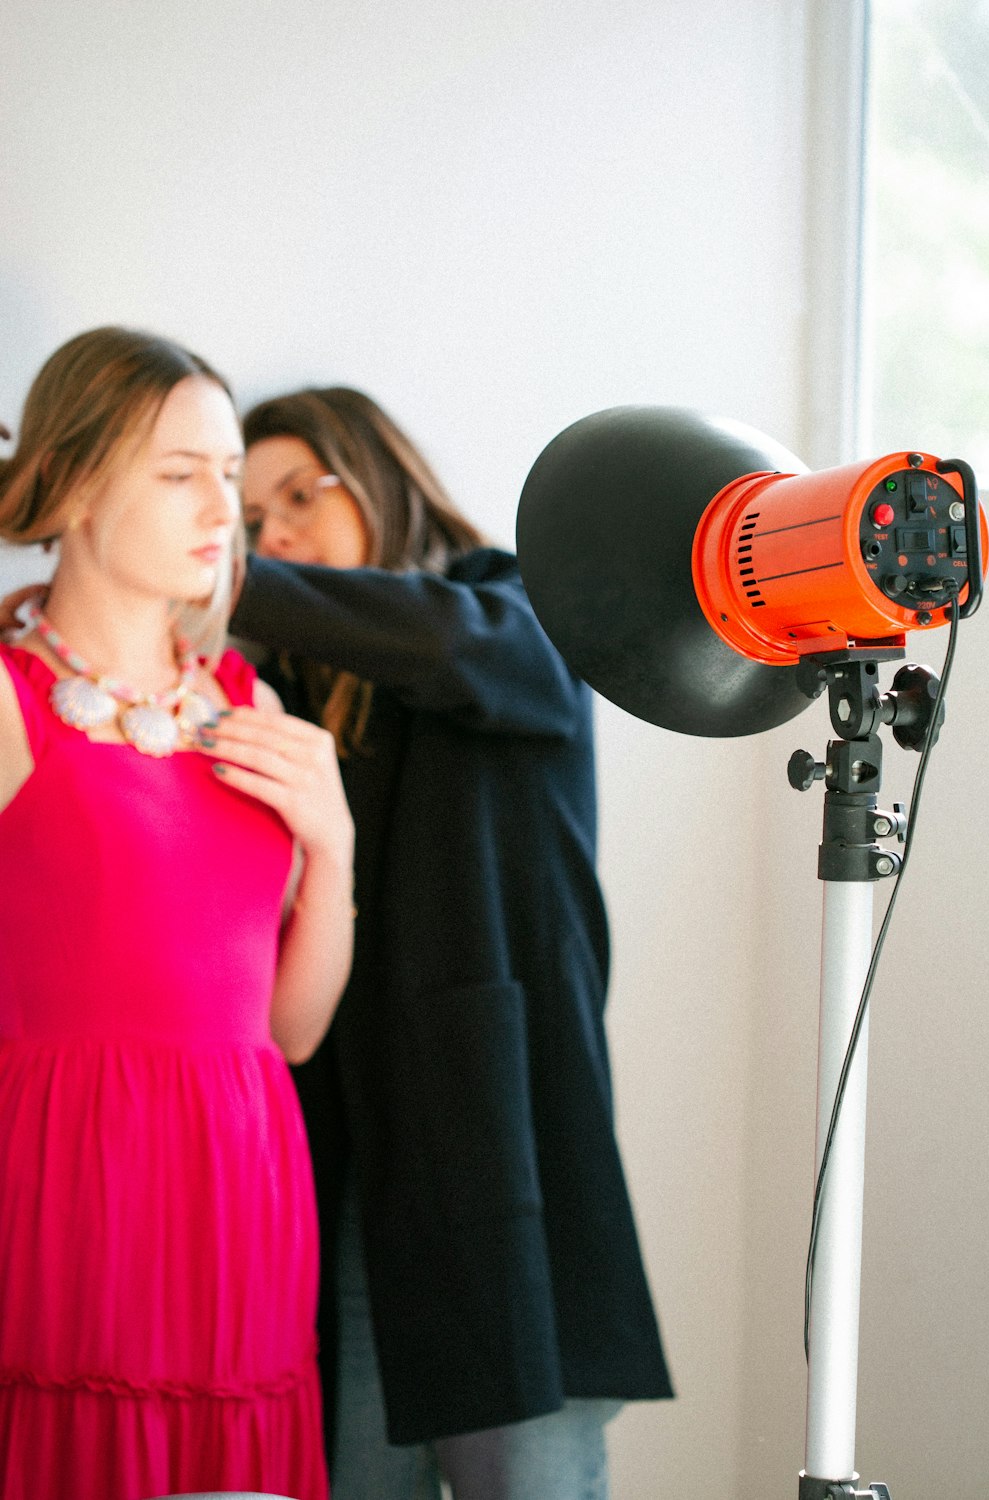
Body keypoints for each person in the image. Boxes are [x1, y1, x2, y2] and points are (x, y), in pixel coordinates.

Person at [230, 385, 674, 1500]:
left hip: (510, 1181)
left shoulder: (515, 612)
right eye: (247, 525)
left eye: (296, 497)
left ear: (382, 474)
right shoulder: (283, 699)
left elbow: (450, 642)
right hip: (353, 1205)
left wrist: (213, 576)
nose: (273, 535)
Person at [0, 327, 356, 1500]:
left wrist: (334, 843)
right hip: (61, 1186)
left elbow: (291, 1031)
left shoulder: (247, 702)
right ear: (72, 484)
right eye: (178, 472)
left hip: (239, 1187)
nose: (224, 505)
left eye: (229, 466)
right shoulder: (8, 699)